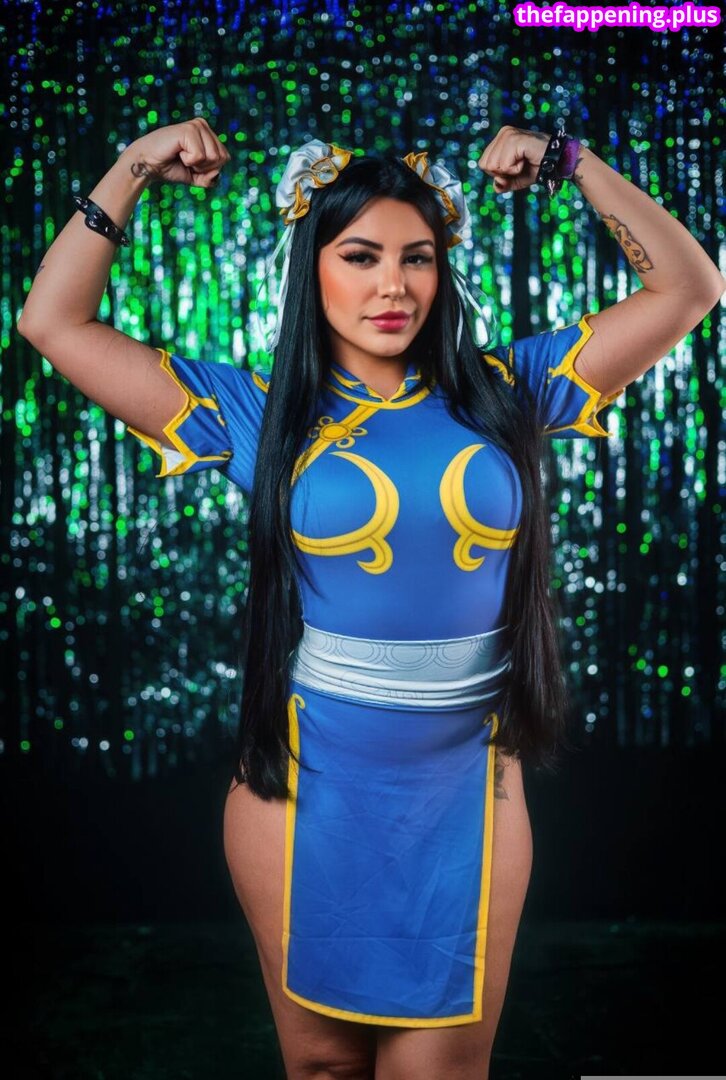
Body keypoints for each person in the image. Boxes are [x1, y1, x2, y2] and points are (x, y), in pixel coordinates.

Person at [18, 117, 724, 1079]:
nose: (393, 286)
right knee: (323, 1071)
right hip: (303, 791)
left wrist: (574, 162)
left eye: (416, 258)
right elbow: (53, 323)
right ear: (312, 267)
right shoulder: (259, 413)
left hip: (470, 790)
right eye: (361, 256)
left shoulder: (511, 389)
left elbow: (689, 289)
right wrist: (134, 163)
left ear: (442, 272)